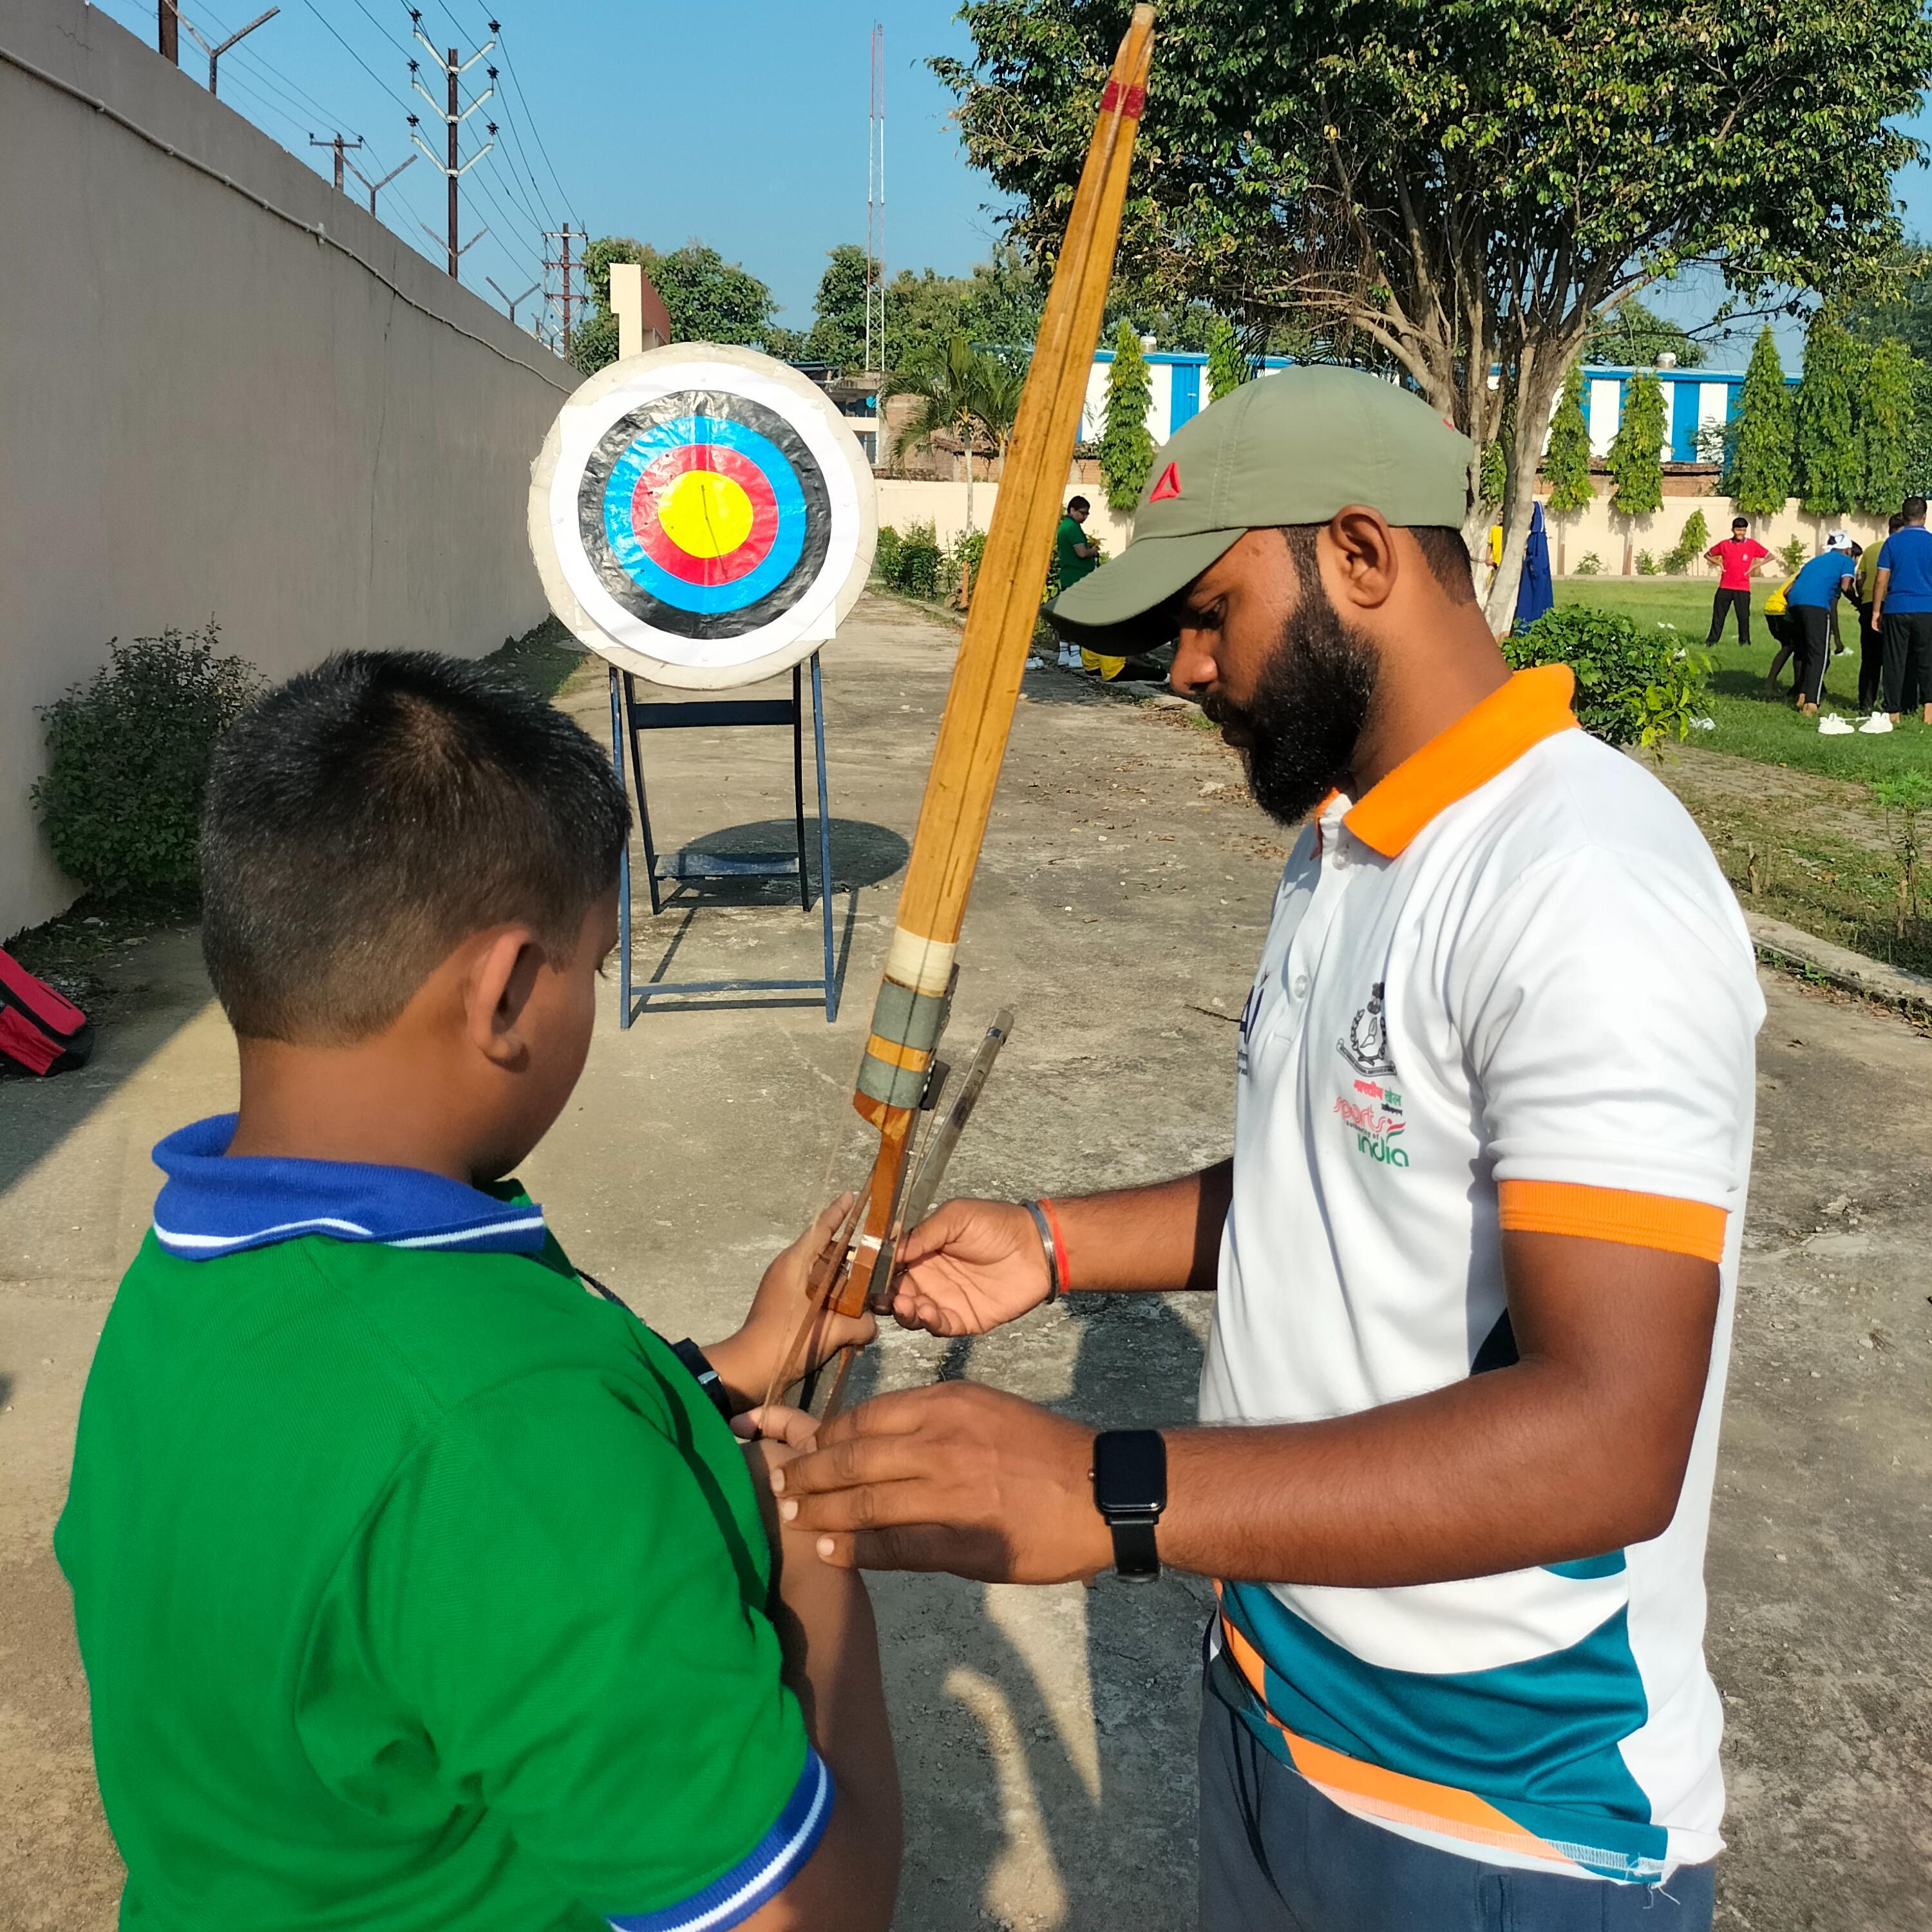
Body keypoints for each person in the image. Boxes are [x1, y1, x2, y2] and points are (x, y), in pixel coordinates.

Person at [764, 368, 1762, 1932]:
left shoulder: (1582, 886)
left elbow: (1610, 1432)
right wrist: (1054, 1240)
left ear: (1359, 554)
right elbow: (1342, 1189)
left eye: (1212, 606)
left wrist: (1111, 1488)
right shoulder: (1345, 838)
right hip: (1274, 1692)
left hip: (1496, 1807)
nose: (1183, 662)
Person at [55, 652, 900, 1932]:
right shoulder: (503, 1427)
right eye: (595, 969)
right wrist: (819, 1570)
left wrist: (715, 1371)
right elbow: (807, 1913)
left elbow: (365, 1494)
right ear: (507, 991)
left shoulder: (190, 1273)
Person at [1871, 494, 1932, 732]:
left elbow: (1880, 580)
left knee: (1894, 660)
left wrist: (1877, 610)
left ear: (1904, 516)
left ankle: (1893, 711)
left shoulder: (1892, 543)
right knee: (1927, 660)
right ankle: (1928, 710)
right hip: (1927, 608)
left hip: (1897, 607)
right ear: (1924, 516)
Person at [1781, 535, 1859, 715]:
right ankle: (1811, 702)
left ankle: (1801, 695)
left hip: (1795, 603)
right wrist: (1859, 603)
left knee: (1803, 651)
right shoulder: (1846, 561)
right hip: (1817, 606)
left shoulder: (1815, 561)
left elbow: (1787, 590)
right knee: (1819, 654)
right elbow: (1846, 587)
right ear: (1848, 550)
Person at [1856, 514, 1904, 714]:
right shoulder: (1901, 548)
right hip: (1893, 604)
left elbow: (1861, 578)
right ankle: (1895, 703)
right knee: (1895, 657)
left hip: (1869, 604)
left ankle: (1865, 703)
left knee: (1869, 658)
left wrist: (1862, 599)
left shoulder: (1872, 548)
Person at [1052, 495, 1104, 672]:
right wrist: (1093, 551)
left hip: (1068, 575)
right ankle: (1076, 655)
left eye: (1087, 514)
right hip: (1078, 576)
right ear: (1072, 510)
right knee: (1077, 616)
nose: (1085, 517)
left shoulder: (1064, 527)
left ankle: (1064, 654)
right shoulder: (1073, 528)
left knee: (1067, 615)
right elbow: (1081, 553)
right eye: (1083, 513)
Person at [1703, 514, 1771, 644]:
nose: (1741, 533)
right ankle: (1712, 641)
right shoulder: (1724, 545)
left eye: (1744, 530)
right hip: (1725, 587)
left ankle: (1744, 642)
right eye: (1738, 530)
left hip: (1743, 587)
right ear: (1733, 530)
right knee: (1718, 616)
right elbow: (1708, 555)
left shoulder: (1752, 545)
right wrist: (1719, 564)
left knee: (1743, 617)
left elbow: (1770, 556)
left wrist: (1754, 566)